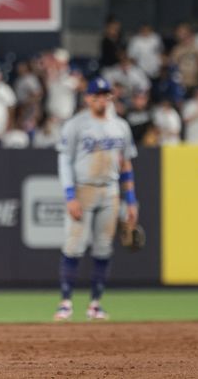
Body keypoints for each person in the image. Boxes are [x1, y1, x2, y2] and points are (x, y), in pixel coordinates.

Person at [54, 77, 139, 321]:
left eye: (106, 95)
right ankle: (66, 302)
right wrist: (70, 195)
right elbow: (64, 161)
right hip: (83, 189)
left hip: (110, 191)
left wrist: (131, 200)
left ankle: (95, 304)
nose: (102, 99)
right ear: (88, 98)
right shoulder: (76, 125)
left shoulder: (121, 126)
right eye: (97, 95)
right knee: (74, 245)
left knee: (103, 247)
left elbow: (126, 164)